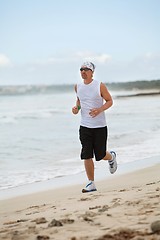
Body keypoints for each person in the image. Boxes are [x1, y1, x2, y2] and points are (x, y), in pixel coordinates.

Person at [72, 61, 117, 193]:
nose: (83, 72)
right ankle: (91, 183)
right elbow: (80, 101)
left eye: (86, 69)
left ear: (92, 72)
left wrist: (99, 109)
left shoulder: (99, 85)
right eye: (81, 69)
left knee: (101, 154)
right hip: (84, 126)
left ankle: (112, 157)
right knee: (86, 154)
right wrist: (77, 108)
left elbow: (110, 101)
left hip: (99, 126)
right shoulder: (77, 86)